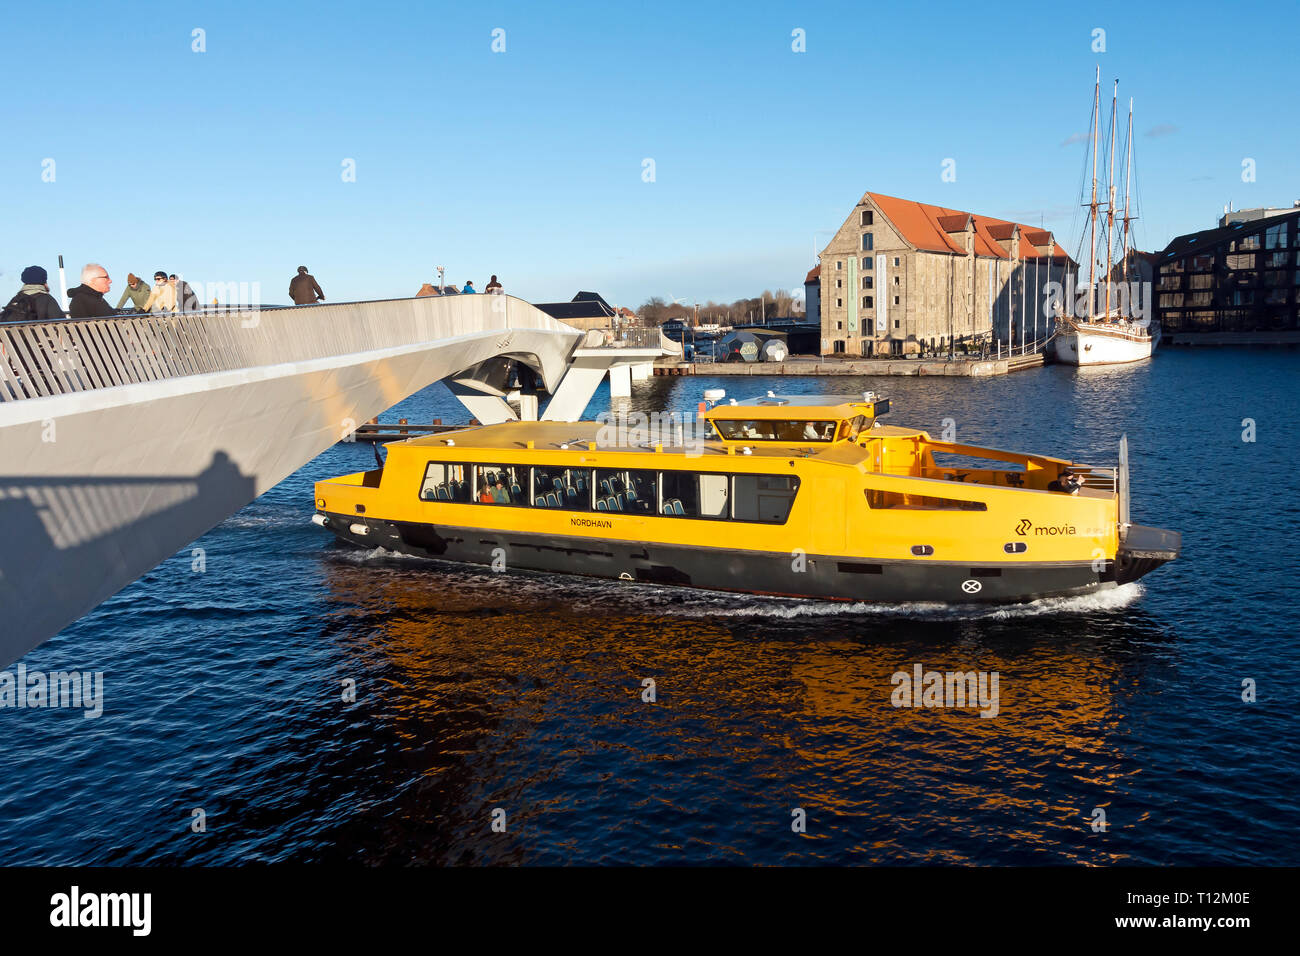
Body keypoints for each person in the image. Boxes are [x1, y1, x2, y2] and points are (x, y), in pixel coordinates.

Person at [1, 266, 66, 321]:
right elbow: (61, 322)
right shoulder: (47, 299)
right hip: (41, 335)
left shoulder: (16, 298)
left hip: (13, 335)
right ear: (44, 281)